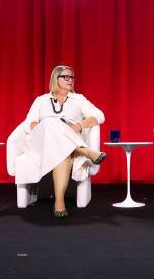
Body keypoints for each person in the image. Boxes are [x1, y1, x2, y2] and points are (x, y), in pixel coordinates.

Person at [15, 65, 106, 218]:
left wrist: (79, 125)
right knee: (52, 122)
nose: (70, 80)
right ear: (55, 79)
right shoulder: (41, 100)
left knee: (62, 151)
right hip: (41, 141)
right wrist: (47, 127)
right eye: (66, 77)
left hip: (66, 144)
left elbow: (99, 115)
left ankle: (59, 202)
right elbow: (29, 122)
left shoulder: (79, 99)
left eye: (72, 77)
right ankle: (84, 151)